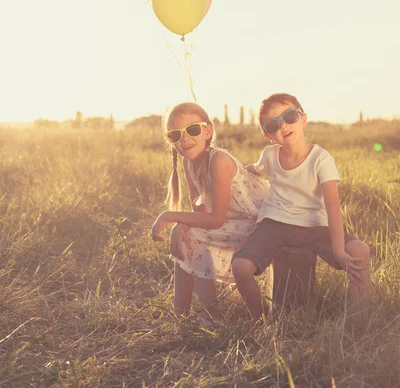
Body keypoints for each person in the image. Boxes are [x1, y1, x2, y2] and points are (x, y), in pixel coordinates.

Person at [231, 93, 372, 325]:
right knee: (241, 266)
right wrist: (243, 172)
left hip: (314, 225)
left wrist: (338, 250)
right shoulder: (269, 154)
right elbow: (256, 169)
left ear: (303, 118)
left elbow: (333, 206)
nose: (284, 125)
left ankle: (361, 322)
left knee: (360, 251)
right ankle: (258, 320)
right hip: (274, 223)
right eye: (274, 124)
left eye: (289, 116)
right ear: (268, 135)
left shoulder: (321, 159)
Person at [151, 102, 272, 324]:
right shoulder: (190, 164)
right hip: (235, 223)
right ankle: (181, 315)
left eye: (193, 130)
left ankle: (211, 317)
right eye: (175, 134)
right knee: (189, 235)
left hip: (260, 223)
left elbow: (215, 219)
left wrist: (170, 216)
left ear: (207, 131)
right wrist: (181, 226)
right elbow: (200, 213)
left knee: (192, 234)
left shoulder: (219, 160)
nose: (185, 138)